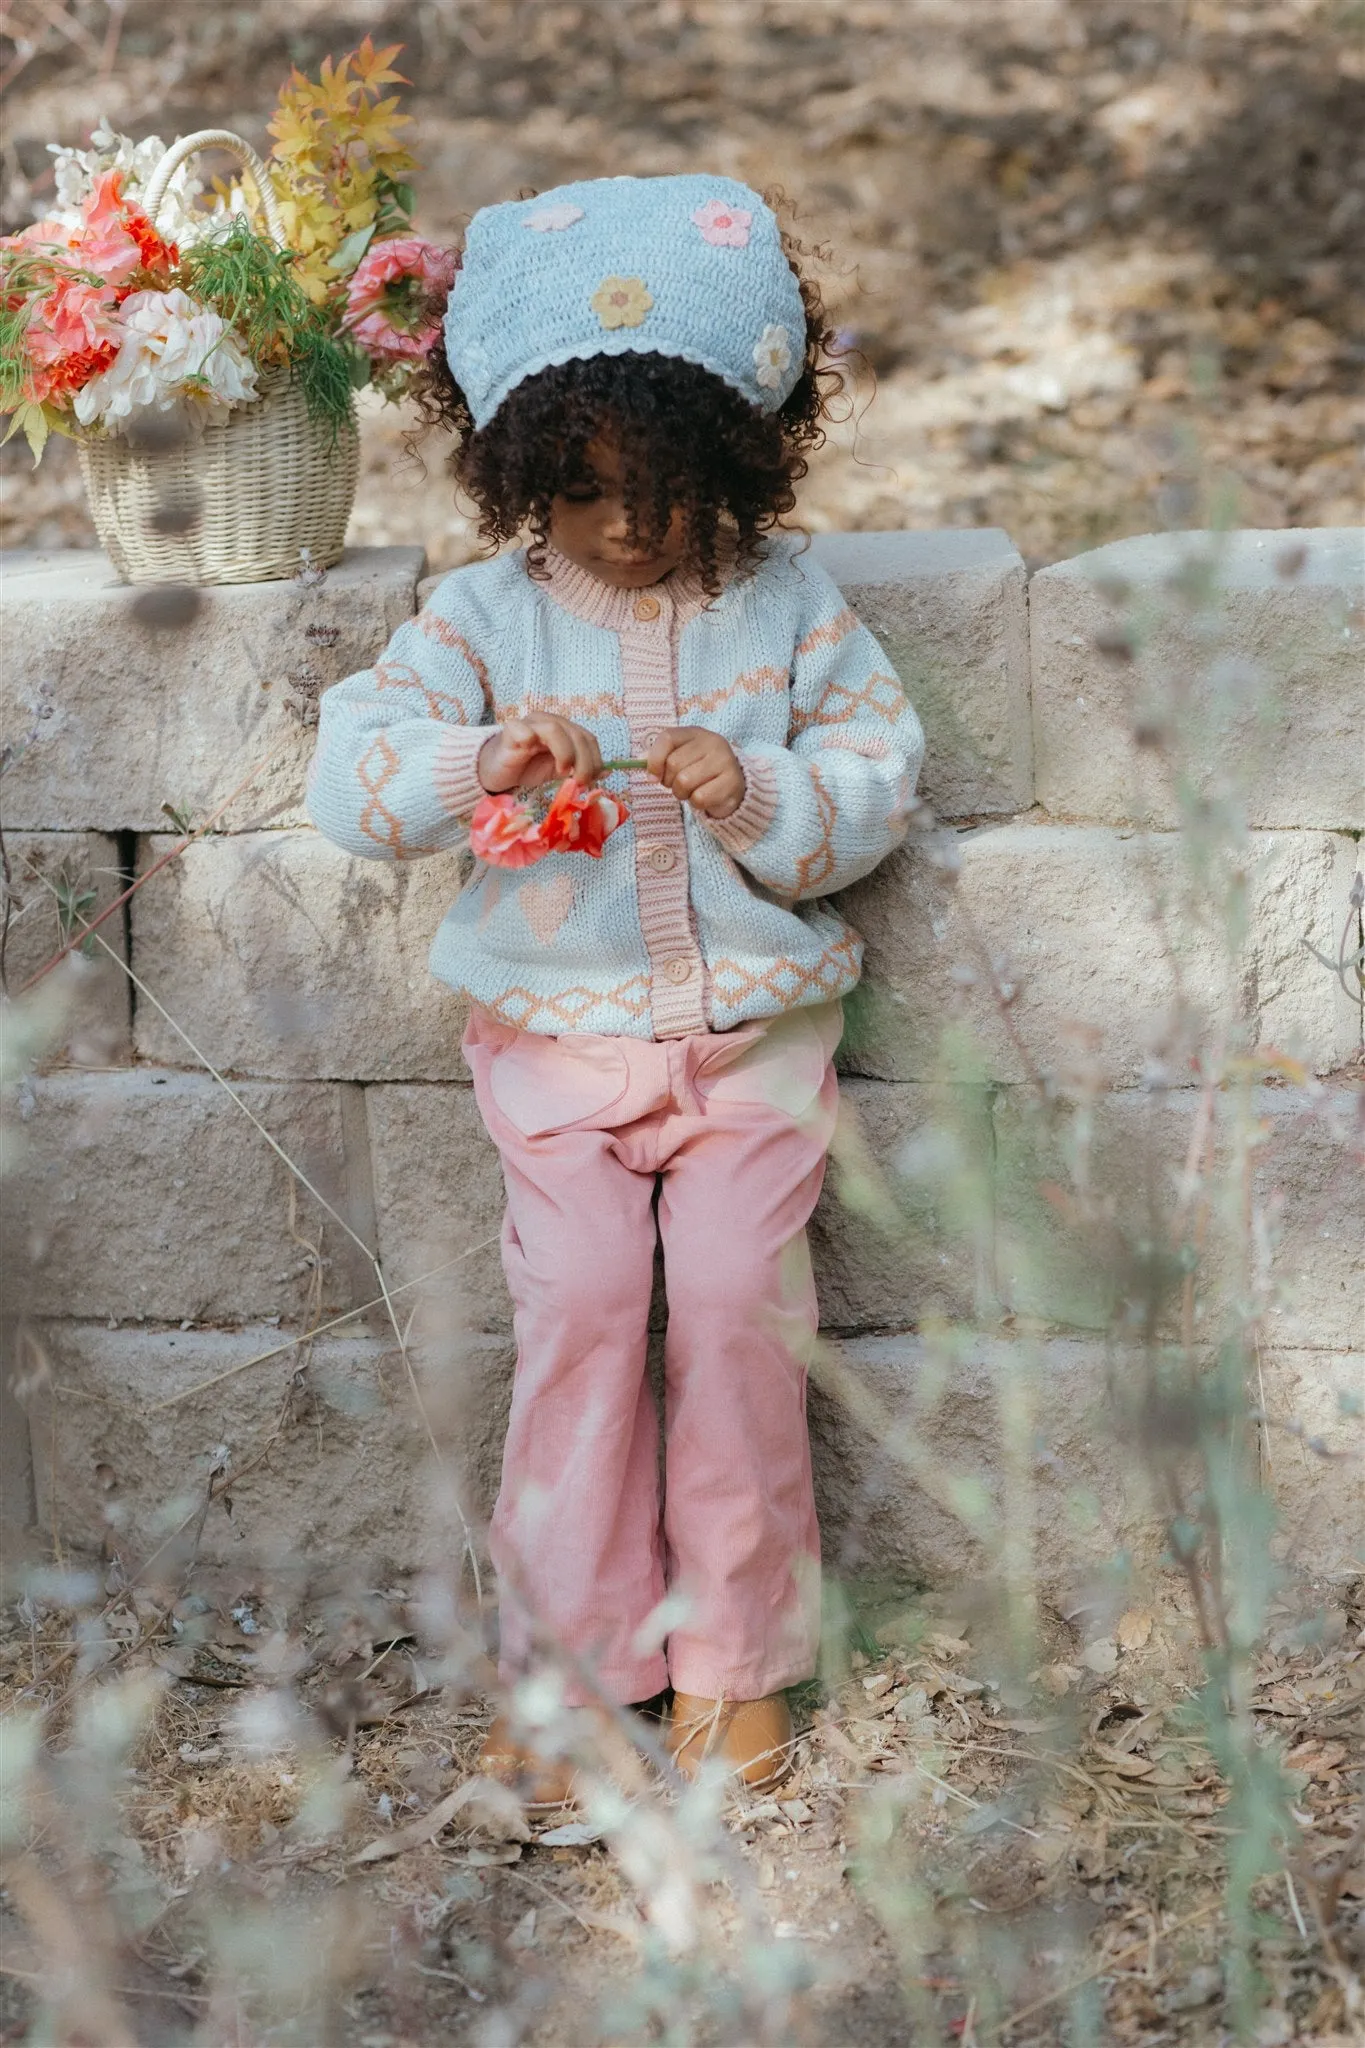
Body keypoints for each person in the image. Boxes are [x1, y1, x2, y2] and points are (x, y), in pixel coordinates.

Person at [306, 173, 924, 1806]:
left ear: (736, 456)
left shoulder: (790, 607)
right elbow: (354, 779)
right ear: (521, 475)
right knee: (580, 1317)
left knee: (733, 1313)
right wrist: (481, 755)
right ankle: (572, 1672)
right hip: (558, 1049)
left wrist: (760, 793)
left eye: (665, 488)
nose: (631, 527)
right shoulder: (484, 621)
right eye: (582, 492)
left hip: (750, 1045)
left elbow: (878, 776)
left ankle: (737, 1660)